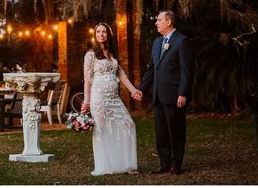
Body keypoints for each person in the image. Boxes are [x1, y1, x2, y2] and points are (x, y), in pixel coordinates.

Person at [133, 10, 194, 175]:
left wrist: (183, 93)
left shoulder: (182, 41)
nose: (156, 23)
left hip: (175, 96)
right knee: (161, 132)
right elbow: (152, 69)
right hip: (158, 96)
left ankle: (175, 164)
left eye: (159, 20)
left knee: (176, 131)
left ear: (168, 22)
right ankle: (164, 163)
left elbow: (186, 71)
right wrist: (141, 88)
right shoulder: (157, 43)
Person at [81, 22, 142, 175]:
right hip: (98, 98)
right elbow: (87, 79)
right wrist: (86, 101)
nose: (101, 34)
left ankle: (127, 165)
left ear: (109, 34)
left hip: (114, 99)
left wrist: (133, 90)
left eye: (104, 32)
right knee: (101, 130)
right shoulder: (90, 54)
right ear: (95, 35)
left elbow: (121, 75)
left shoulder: (112, 53)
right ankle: (105, 166)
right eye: (98, 32)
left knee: (128, 125)